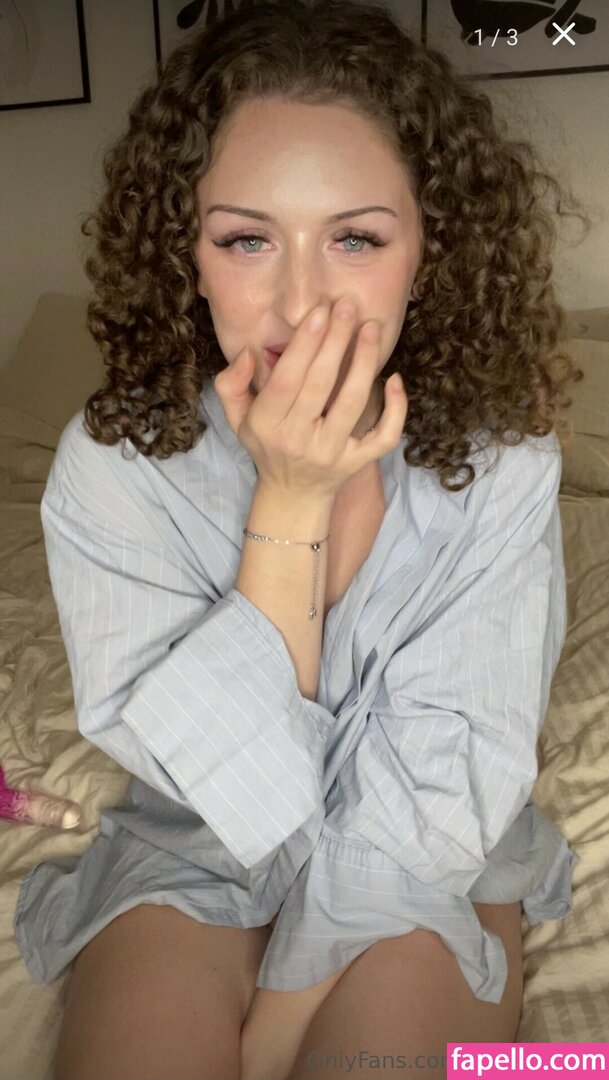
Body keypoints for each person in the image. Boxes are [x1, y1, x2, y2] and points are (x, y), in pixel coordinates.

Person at [13, 1, 590, 1078]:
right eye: (247, 239)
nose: (300, 301)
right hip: (200, 839)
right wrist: (289, 500)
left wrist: (271, 1032)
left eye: (355, 239)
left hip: (431, 859)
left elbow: (446, 787)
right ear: (188, 258)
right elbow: (222, 781)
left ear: (426, 255)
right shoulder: (115, 463)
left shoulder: (505, 460)